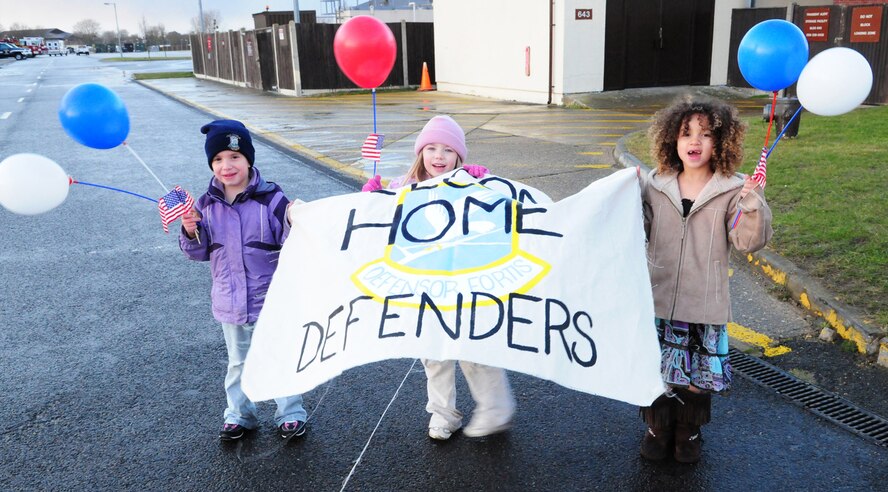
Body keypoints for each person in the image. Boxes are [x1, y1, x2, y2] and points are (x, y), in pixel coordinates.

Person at [362, 115, 516, 440]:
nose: (438, 156)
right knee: (434, 355)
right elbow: (378, 222)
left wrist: (485, 181)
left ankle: (495, 407)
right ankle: (444, 414)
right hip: (424, 288)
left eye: (447, 150)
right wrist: (372, 199)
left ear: (459, 156)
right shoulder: (403, 188)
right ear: (420, 153)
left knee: (474, 349)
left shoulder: (471, 185)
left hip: (465, 286)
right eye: (431, 148)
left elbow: (498, 208)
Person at [638, 97, 773, 463]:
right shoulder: (655, 183)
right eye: (685, 134)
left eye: (705, 133)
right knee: (659, 371)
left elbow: (748, 242)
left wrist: (751, 203)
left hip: (704, 302)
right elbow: (639, 231)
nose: (694, 141)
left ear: (721, 142)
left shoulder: (731, 188)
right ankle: (658, 426)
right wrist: (628, 196)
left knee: (696, 377)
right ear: (672, 140)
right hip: (658, 298)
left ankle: (688, 430)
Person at [180, 119, 308, 442]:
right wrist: (190, 229)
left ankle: (290, 412)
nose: (227, 166)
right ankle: (239, 414)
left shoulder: (271, 197)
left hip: (271, 299)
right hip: (230, 301)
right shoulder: (205, 205)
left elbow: (291, 236)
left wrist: (294, 217)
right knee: (238, 363)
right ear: (211, 164)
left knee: (280, 355)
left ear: (248, 159)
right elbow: (198, 252)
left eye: (235, 157)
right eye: (219, 159)